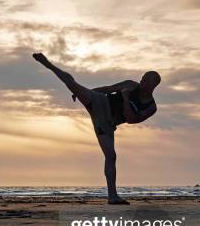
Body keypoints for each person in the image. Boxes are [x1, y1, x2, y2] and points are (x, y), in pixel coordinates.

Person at [32, 52, 160, 204]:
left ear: (154, 85)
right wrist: (89, 92)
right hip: (99, 102)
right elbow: (108, 89)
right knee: (72, 83)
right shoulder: (131, 85)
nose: (142, 83)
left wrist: (125, 98)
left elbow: (131, 119)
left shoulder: (151, 107)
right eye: (142, 79)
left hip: (107, 122)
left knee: (111, 156)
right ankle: (48, 64)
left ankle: (112, 196)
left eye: (146, 82)